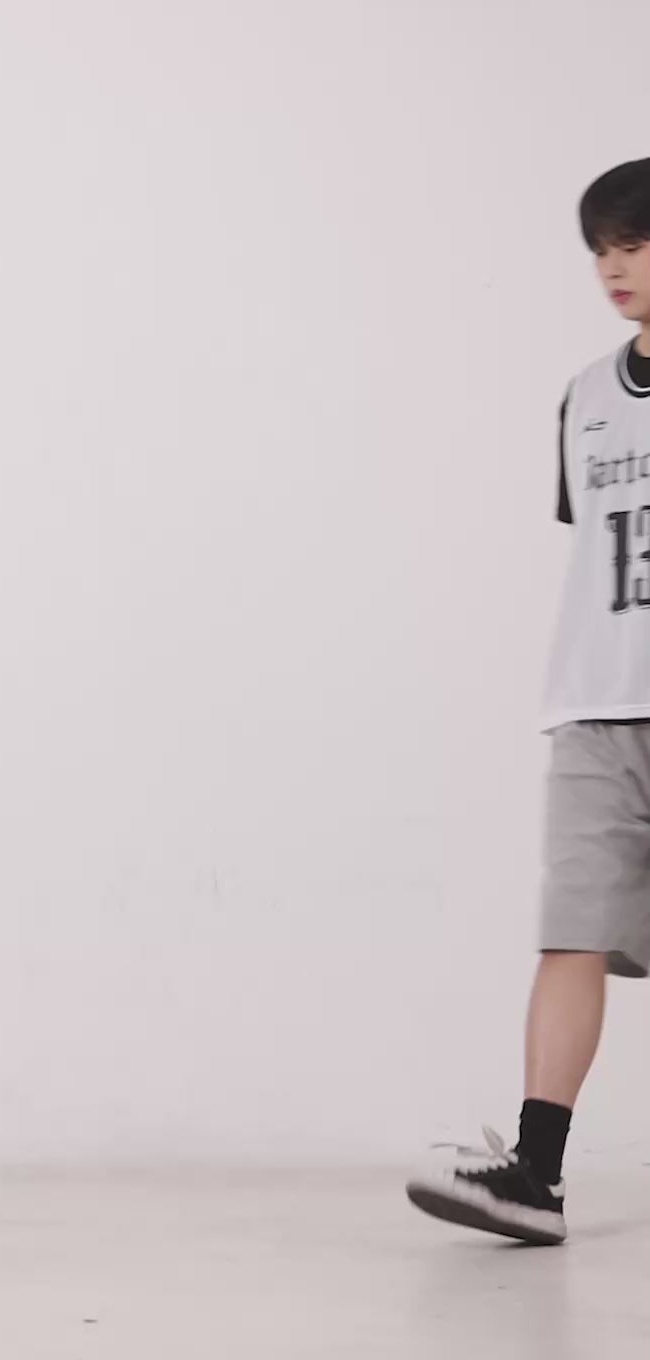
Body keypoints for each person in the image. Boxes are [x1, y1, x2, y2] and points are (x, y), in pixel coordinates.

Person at [406, 157, 650, 1247]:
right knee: (570, 937)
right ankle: (533, 1176)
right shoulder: (585, 397)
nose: (612, 267)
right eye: (600, 249)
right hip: (595, 711)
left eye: (633, 244)